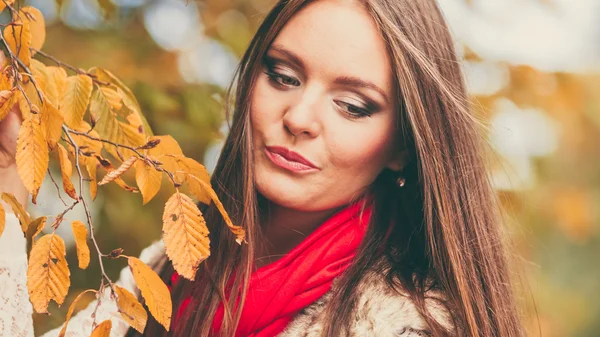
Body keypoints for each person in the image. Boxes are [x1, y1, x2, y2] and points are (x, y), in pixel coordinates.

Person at [0, 0, 525, 336]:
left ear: (403, 147)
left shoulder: (407, 327)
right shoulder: (168, 268)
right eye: (283, 76)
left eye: (352, 105)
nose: (298, 118)